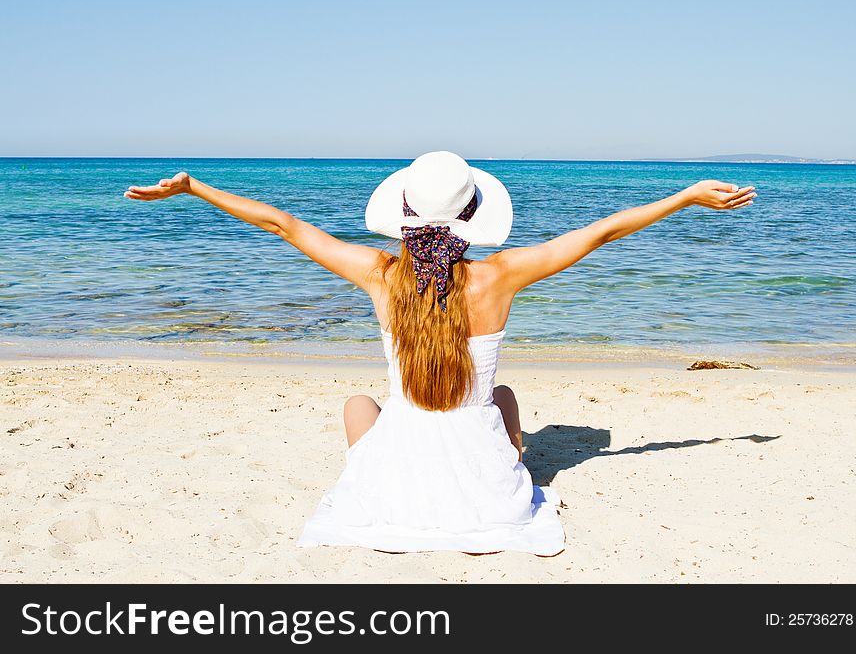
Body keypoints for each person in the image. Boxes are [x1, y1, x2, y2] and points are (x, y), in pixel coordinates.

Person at [124, 151, 756, 556]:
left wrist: (196, 188)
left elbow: (283, 225)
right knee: (501, 397)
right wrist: (686, 196)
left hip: (393, 491)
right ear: (472, 214)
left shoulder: (379, 274)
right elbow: (602, 231)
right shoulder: (500, 275)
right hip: (488, 497)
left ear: (402, 213)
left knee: (358, 404)